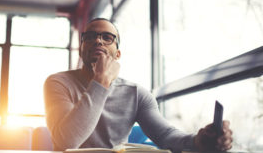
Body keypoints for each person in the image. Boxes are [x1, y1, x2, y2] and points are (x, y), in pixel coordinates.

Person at [43, 18, 233, 152]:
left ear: (117, 54)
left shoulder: (136, 94)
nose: (98, 40)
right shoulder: (58, 83)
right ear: (81, 48)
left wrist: (198, 141)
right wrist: (101, 81)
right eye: (90, 36)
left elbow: (165, 135)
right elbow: (67, 141)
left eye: (107, 37)